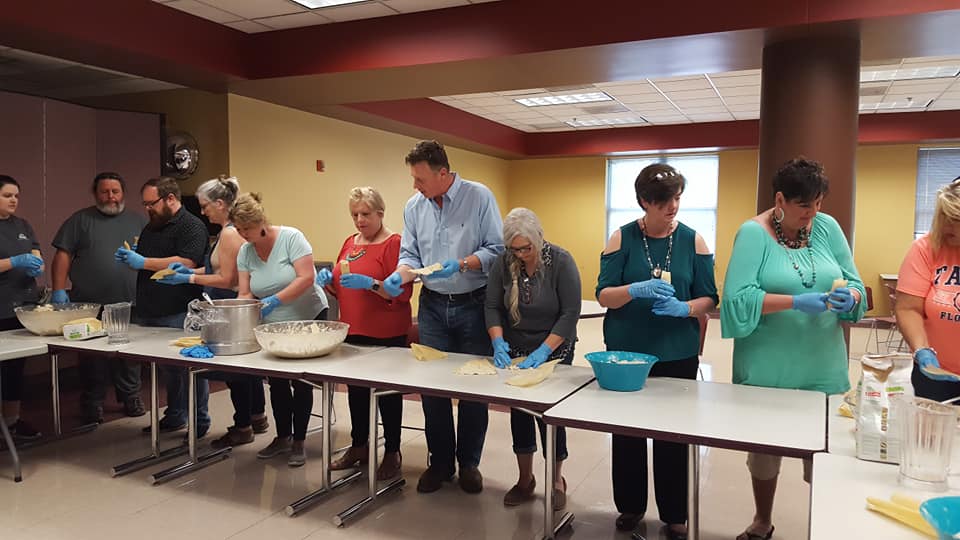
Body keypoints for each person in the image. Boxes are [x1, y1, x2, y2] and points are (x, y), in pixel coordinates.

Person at [721, 158, 865, 540]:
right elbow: (736, 299)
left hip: (821, 363)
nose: (812, 213)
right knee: (765, 453)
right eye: (803, 205)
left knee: (826, 456)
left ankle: (826, 527)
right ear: (780, 199)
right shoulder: (753, 234)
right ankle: (762, 520)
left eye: (817, 203)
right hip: (768, 366)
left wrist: (851, 297)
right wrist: (794, 302)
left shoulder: (827, 227)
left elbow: (854, 281)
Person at [596, 163, 718, 540]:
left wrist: (685, 308)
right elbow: (604, 295)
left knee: (673, 435)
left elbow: (709, 297)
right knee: (627, 432)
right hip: (628, 353)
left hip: (676, 352)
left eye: (677, 198)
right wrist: (634, 290)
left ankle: (675, 513)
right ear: (644, 202)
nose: (672, 206)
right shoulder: (622, 238)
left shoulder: (693, 241)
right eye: (663, 200)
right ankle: (631, 505)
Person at [382, 140, 504, 494]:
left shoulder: (479, 197)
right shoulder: (414, 206)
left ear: (443, 173)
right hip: (432, 305)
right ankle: (440, 463)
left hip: (473, 302)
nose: (415, 185)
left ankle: (469, 463)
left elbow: (497, 250)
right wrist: (399, 274)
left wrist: (464, 263)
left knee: (473, 388)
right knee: (432, 387)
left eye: (420, 179)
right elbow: (409, 254)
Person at [158, 176, 269, 448]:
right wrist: (191, 270)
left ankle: (243, 425)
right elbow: (217, 268)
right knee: (246, 369)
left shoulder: (230, 233)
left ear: (220, 204)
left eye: (205, 206)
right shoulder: (227, 232)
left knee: (236, 372)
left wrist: (189, 279)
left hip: (230, 306)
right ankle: (256, 416)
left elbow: (227, 279)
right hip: (232, 306)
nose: (203, 211)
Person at [484, 207, 581, 510]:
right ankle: (525, 479)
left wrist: (543, 351)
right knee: (521, 412)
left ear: (538, 239)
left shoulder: (560, 261)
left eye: (526, 248)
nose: (521, 254)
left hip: (554, 346)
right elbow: (491, 306)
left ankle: (556, 479)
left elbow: (570, 313)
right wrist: (498, 341)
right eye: (515, 249)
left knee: (549, 414)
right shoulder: (503, 261)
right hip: (515, 347)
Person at [319, 187, 412, 480]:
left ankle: (393, 451)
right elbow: (342, 287)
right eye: (355, 215)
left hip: (385, 332)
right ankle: (359, 446)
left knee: (387, 396)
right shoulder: (350, 242)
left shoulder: (394, 244)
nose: (360, 220)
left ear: (380, 214)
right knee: (357, 393)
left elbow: (402, 293)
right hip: (353, 329)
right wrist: (327, 282)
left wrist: (371, 284)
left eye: (366, 214)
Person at [234, 193, 328, 467]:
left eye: (247, 228)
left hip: (306, 315)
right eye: (238, 230)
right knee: (276, 381)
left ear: (261, 222)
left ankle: (300, 440)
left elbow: (306, 277)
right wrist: (241, 310)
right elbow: (245, 291)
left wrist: (276, 300)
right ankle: (283, 436)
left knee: (301, 380)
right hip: (273, 323)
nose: (243, 235)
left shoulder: (291, 238)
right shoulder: (245, 252)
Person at [114, 177, 210, 438]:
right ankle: (176, 414)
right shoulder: (152, 226)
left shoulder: (192, 225)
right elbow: (149, 259)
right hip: (151, 308)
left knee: (189, 367)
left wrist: (143, 261)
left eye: (151, 203)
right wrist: (134, 256)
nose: (148, 209)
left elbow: (187, 261)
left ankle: (199, 420)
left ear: (170, 199)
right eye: (144, 204)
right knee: (168, 368)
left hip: (179, 309)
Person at [52, 172, 148, 424]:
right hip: (89, 303)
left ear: (123, 193)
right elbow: (63, 255)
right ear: (95, 194)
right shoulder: (80, 220)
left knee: (129, 354)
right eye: (104, 191)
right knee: (91, 356)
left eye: (115, 191)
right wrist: (58, 289)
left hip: (129, 300)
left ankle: (131, 397)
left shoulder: (138, 220)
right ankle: (93, 402)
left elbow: (151, 257)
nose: (110, 196)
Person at [896, 177, 960, 398]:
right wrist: (922, 349)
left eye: (955, 219)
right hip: (935, 374)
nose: (946, 226)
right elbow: (908, 308)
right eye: (943, 217)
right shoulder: (926, 248)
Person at [0, 175, 43, 442]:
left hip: (23, 307)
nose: (14, 200)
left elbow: (35, 252)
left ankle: (12, 422)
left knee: (15, 368)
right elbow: (18, 258)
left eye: (16, 195)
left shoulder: (22, 225)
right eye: (7, 195)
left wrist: (36, 264)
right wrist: (14, 261)